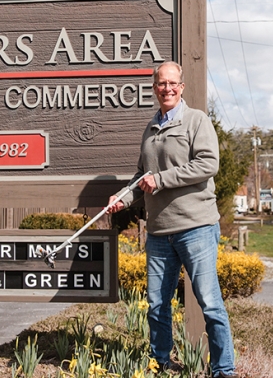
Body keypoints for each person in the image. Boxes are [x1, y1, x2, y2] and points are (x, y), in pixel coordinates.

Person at [107, 60, 236, 378]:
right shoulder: (150, 129)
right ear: (155, 88)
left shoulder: (196, 121)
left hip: (196, 227)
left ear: (182, 87)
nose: (166, 88)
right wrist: (122, 198)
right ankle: (160, 362)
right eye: (160, 83)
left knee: (209, 302)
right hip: (159, 231)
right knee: (157, 305)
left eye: (172, 83)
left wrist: (162, 180)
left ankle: (224, 369)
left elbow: (208, 164)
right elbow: (142, 175)